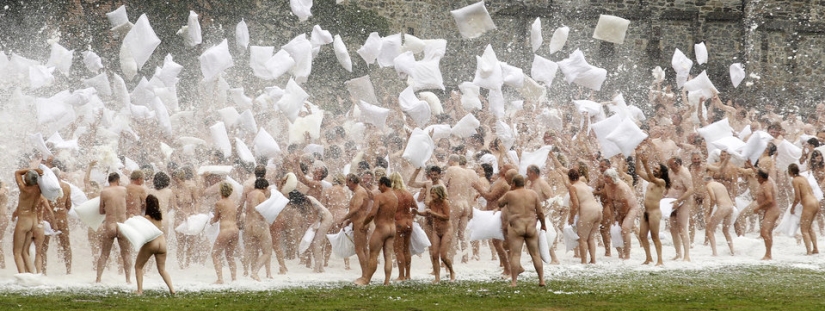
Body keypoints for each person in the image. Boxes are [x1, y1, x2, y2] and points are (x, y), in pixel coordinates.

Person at [497, 175, 546, 287]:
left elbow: (499, 203)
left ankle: (514, 282)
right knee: (535, 254)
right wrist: (543, 225)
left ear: (513, 184)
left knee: (515, 255)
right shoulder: (533, 194)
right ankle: (541, 280)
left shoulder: (510, 194)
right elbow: (540, 212)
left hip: (516, 227)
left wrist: (509, 190)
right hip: (531, 227)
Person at [354, 177, 397, 285]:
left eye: (379, 185)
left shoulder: (380, 197)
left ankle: (366, 280)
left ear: (383, 185)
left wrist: (364, 224)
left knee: (373, 254)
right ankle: (387, 282)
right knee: (388, 256)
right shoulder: (394, 196)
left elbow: (372, 213)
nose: (378, 187)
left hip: (382, 228)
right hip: (392, 228)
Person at [96, 173, 132, 284]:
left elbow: (101, 211)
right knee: (126, 254)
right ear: (118, 180)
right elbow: (127, 205)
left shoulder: (104, 192)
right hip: (122, 225)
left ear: (109, 181)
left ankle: (98, 279)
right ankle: (128, 280)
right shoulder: (124, 190)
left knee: (104, 254)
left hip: (110, 225)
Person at [135, 195, 174, 295]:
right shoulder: (159, 217)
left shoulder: (146, 218)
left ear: (148, 204)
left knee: (138, 267)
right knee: (162, 270)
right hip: (162, 243)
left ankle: (139, 291)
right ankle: (172, 289)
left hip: (152, 243)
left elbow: (140, 230)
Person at [442, 154, 479, 263]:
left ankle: (451, 259)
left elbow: (443, 185)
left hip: (455, 203)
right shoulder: (466, 172)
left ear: (451, 161)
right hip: (465, 204)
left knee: (452, 233)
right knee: (463, 234)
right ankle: (465, 257)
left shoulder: (451, 169)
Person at [636, 151, 669, 266]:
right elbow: (638, 171)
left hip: (654, 213)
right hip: (646, 212)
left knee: (655, 237)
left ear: (661, 172)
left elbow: (653, 179)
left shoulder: (661, 182)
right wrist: (637, 156)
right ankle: (648, 258)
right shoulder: (651, 180)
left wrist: (645, 163)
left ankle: (660, 260)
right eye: (654, 168)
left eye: (656, 169)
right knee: (642, 235)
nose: (654, 170)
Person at [420, 185, 454, 283]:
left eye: (433, 193)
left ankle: (452, 272)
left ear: (439, 193)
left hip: (446, 230)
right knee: (434, 254)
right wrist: (417, 212)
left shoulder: (445, 202)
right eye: (431, 193)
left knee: (443, 256)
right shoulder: (432, 203)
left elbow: (447, 217)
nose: (431, 195)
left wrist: (433, 213)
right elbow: (428, 213)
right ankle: (437, 278)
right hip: (436, 231)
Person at [567, 168, 602, 264]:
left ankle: (583, 261)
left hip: (588, 212)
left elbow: (576, 205)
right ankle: (593, 260)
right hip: (598, 210)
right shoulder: (583, 184)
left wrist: (571, 218)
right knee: (591, 238)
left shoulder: (573, 187)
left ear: (569, 178)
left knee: (582, 238)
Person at [340, 174, 372, 278]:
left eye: (347, 182)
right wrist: (349, 221)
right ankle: (367, 274)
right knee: (364, 249)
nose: (346, 185)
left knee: (359, 249)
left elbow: (357, 208)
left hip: (360, 223)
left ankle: (365, 275)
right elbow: (359, 210)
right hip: (360, 221)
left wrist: (343, 218)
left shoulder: (359, 192)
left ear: (352, 182)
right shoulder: (359, 191)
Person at [603, 168, 638, 260]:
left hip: (631, 208)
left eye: (607, 177)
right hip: (619, 209)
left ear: (612, 178)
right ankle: (620, 254)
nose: (605, 179)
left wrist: (621, 217)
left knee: (625, 229)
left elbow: (625, 205)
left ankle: (627, 255)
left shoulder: (621, 187)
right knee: (614, 228)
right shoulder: (607, 185)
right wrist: (613, 216)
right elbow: (610, 201)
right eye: (604, 177)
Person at [12, 168, 43, 273]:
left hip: (24, 221)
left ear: (26, 179)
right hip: (33, 221)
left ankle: (23, 276)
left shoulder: (24, 189)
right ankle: (31, 274)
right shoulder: (39, 189)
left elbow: (17, 172)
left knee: (17, 252)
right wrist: (37, 171)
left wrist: (32, 169)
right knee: (25, 251)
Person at [244, 178, 273, 280]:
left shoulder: (249, 195)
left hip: (249, 225)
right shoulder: (261, 194)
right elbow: (265, 211)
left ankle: (252, 271)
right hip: (259, 224)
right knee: (267, 251)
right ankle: (255, 272)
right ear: (264, 187)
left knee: (253, 250)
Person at [210, 182, 239, 284]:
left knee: (215, 254)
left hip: (226, 230)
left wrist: (211, 221)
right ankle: (234, 278)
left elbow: (216, 218)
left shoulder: (219, 203)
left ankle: (220, 279)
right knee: (230, 255)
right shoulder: (233, 203)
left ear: (220, 191)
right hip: (235, 230)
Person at [666, 157, 694, 261]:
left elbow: (690, 190)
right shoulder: (671, 171)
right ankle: (678, 253)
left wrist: (679, 200)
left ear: (677, 165)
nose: (670, 168)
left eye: (671, 166)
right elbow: (669, 185)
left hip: (684, 202)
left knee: (682, 227)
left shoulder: (685, 173)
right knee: (673, 228)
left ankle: (687, 255)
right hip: (672, 202)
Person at [389, 172, 415, 281]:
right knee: (406, 249)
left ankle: (401, 276)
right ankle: (408, 275)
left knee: (398, 250)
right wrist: (411, 218)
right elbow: (415, 208)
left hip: (398, 223)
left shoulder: (392, 194)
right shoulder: (408, 193)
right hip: (409, 223)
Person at [789, 163, 820, 255]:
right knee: (809, 227)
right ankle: (815, 248)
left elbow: (797, 197)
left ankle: (809, 252)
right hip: (815, 202)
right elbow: (811, 190)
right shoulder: (803, 178)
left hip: (809, 204)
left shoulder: (795, 180)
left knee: (804, 229)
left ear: (790, 172)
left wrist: (793, 208)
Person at [704, 176, 735, 256]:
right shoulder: (720, 184)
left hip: (723, 207)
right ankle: (732, 251)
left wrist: (709, 213)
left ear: (705, 182)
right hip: (731, 207)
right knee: (726, 230)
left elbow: (713, 199)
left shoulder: (709, 185)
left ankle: (714, 253)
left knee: (710, 229)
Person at [754, 168, 780, 260]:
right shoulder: (764, 183)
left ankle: (768, 254)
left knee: (764, 232)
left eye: (757, 177)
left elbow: (769, 200)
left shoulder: (766, 185)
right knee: (768, 232)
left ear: (761, 177)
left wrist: (758, 207)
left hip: (772, 210)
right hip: (770, 210)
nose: (756, 178)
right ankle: (768, 254)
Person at [305, 195, 333, 273]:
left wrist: (316, 222)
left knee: (316, 243)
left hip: (326, 218)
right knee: (317, 243)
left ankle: (317, 268)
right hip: (325, 218)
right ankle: (320, 267)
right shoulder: (310, 199)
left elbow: (320, 211)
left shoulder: (310, 199)